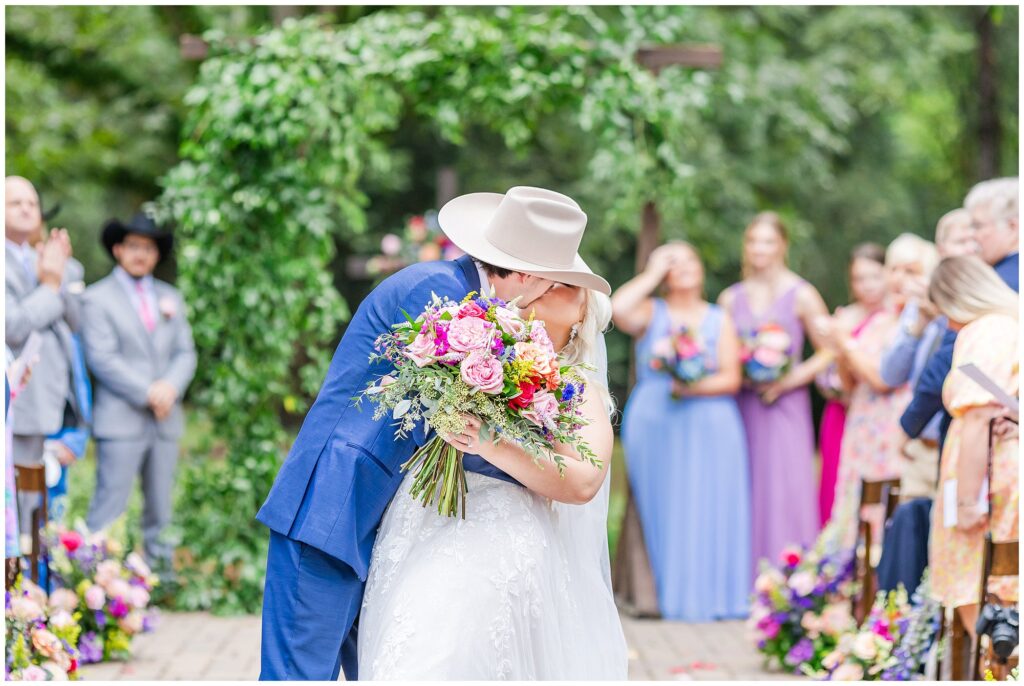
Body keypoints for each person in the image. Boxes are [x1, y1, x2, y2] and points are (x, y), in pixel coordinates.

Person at [256, 186, 621, 680]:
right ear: (529, 276)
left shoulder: (493, 319)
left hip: (395, 531)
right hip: (335, 507)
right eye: (553, 282)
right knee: (297, 676)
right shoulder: (439, 292)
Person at [359, 283, 627, 679]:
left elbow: (585, 482)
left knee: (447, 649)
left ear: (584, 318)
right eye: (545, 277)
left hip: (499, 528)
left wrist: (492, 444)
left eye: (568, 287)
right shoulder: (482, 342)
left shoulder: (577, 387)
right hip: (422, 514)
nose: (549, 286)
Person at [611, 241, 750, 621]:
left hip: (709, 420)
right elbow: (617, 309)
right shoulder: (650, 311)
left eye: (689, 258)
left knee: (707, 504)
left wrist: (689, 387)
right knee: (665, 504)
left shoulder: (719, 318)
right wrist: (652, 272)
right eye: (673, 261)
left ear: (702, 269)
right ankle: (663, 594)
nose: (683, 266)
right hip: (656, 421)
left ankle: (712, 597)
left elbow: (730, 377)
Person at [80, 212, 196, 567]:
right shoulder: (96, 298)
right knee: (110, 503)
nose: (140, 254)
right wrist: (150, 392)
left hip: (164, 419)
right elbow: (102, 358)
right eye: (132, 246)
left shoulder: (171, 297)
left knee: (161, 507)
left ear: (156, 254)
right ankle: (94, 581)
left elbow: (186, 352)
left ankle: (160, 583)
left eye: (147, 247)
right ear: (118, 249)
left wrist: (170, 388)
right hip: (121, 417)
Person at [876, 209, 979, 595]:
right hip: (922, 450)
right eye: (959, 239)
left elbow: (940, 378)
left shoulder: (967, 309)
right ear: (940, 250)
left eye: (974, 238)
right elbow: (892, 371)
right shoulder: (925, 310)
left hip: (956, 446)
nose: (969, 247)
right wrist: (918, 322)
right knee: (912, 540)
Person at [718, 212, 829, 573]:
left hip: (786, 404)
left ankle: (790, 577)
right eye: (753, 241)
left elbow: (830, 350)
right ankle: (743, 574)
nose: (759, 249)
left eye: (767, 241)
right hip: (745, 402)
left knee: (786, 486)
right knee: (745, 485)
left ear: (782, 245)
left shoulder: (803, 294)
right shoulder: (731, 299)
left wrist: (788, 380)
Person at [926, 256, 1018, 636]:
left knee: (982, 594)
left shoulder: (986, 331)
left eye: (945, 311)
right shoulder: (1014, 325)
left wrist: (966, 503)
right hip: (1002, 463)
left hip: (989, 477)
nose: (948, 323)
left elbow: (979, 417)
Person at [829, 234, 935, 542]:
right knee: (856, 512)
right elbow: (849, 384)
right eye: (894, 270)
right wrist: (841, 351)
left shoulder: (920, 323)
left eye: (910, 271)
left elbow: (882, 379)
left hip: (893, 429)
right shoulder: (878, 322)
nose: (899, 279)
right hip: (862, 427)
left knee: (886, 514)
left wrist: (845, 343)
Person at [900, 178, 1019, 449]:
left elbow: (952, 357)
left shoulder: (997, 284)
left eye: (978, 226)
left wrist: (908, 425)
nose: (973, 237)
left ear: (1013, 227)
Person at [5, 176, 87, 535]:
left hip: (58, 405)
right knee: (18, 511)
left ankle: (41, 587)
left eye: (32, 203)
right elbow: (12, 326)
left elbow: (77, 321)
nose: (26, 208)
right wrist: (51, 285)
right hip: (19, 405)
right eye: (14, 202)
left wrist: (58, 273)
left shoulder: (58, 262)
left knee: (49, 514)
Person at [815, 243, 890, 526]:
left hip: (881, 417)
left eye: (874, 276)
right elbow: (830, 371)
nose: (868, 285)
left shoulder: (896, 318)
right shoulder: (844, 318)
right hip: (842, 412)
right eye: (859, 278)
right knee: (837, 487)